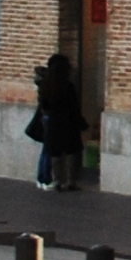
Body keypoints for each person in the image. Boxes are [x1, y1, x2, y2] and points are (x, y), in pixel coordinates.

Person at [30, 51, 84, 192]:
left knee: (54, 152)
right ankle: (71, 181)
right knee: (72, 150)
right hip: (69, 121)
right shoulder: (69, 87)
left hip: (52, 121)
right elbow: (74, 105)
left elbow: (44, 103)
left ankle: (57, 180)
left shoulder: (46, 86)